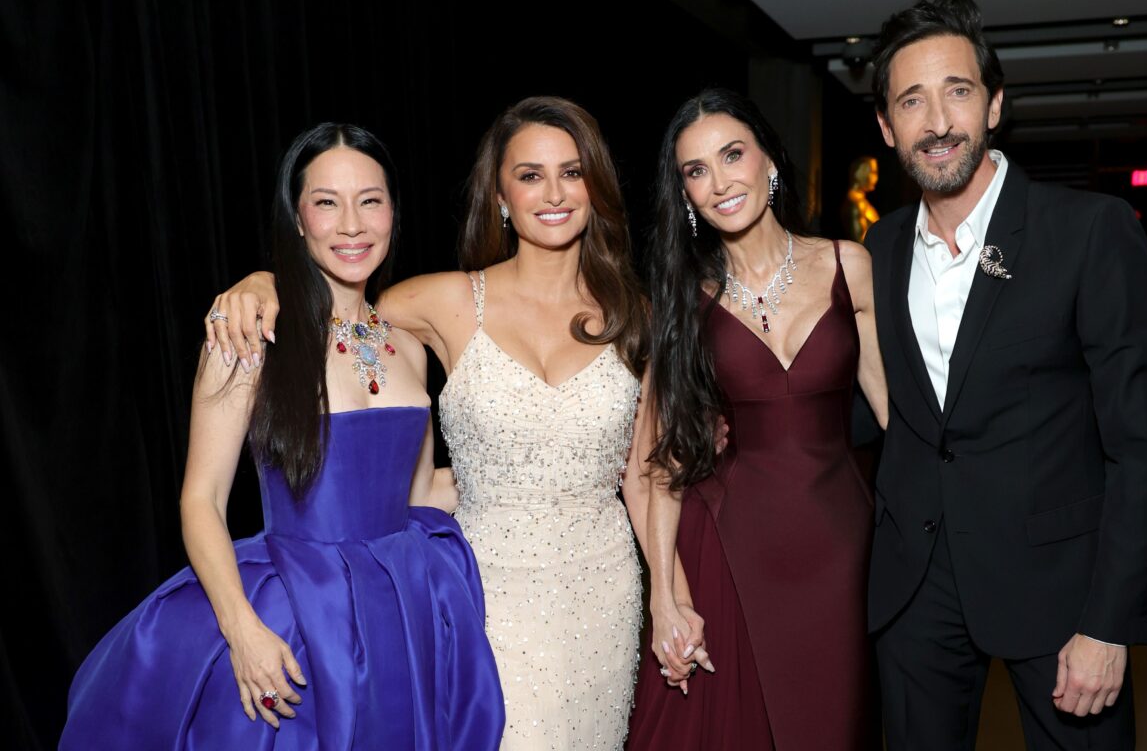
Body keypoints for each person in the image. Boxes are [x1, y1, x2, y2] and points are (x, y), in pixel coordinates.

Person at [202, 98, 674, 749]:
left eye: (572, 172)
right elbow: (204, 496)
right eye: (530, 175)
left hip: (594, 589)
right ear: (500, 196)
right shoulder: (423, 307)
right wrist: (264, 281)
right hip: (469, 591)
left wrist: (670, 593)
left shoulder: (630, 314)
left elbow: (421, 484)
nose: (554, 192)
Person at [61, 123, 504, 749]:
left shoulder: (409, 347)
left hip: (401, 611)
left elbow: (421, 493)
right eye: (326, 202)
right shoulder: (247, 339)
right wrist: (242, 630)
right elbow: (201, 501)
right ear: (297, 219)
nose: (352, 225)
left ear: (393, 213)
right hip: (299, 614)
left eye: (370, 201)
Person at [862, 0, 1147, 749]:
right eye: (912, 100)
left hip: (1063, 594)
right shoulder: (876, 250)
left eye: (957, 91)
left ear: (995, 105)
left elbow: (1142, 445)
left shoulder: (1088, 232)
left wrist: (1110, 623)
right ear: (887, 127)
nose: (938, 121)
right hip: (918, 595)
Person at [624, 88, 888, 750]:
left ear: (768, 157)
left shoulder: (848, 265)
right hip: (730, 549)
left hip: (842, 549)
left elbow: (901, 421)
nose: (719, 182)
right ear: (685, 195)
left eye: (732, 155)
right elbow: (656, 465)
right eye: (696, 170)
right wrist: (667, 597)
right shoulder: (684, 301)